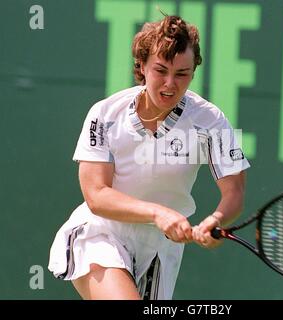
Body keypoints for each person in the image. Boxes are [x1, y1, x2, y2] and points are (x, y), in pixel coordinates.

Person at [48, 14, 250, 300]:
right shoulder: (105, 114)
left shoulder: (211, 121)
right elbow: (96, 194)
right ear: (142, 66)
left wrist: (215, 219)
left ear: (193, 73)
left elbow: (235, 191)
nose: (170, 84)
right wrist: (158, 213)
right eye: (160, 70)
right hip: (102, 233)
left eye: (182, 73)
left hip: (161, 250)